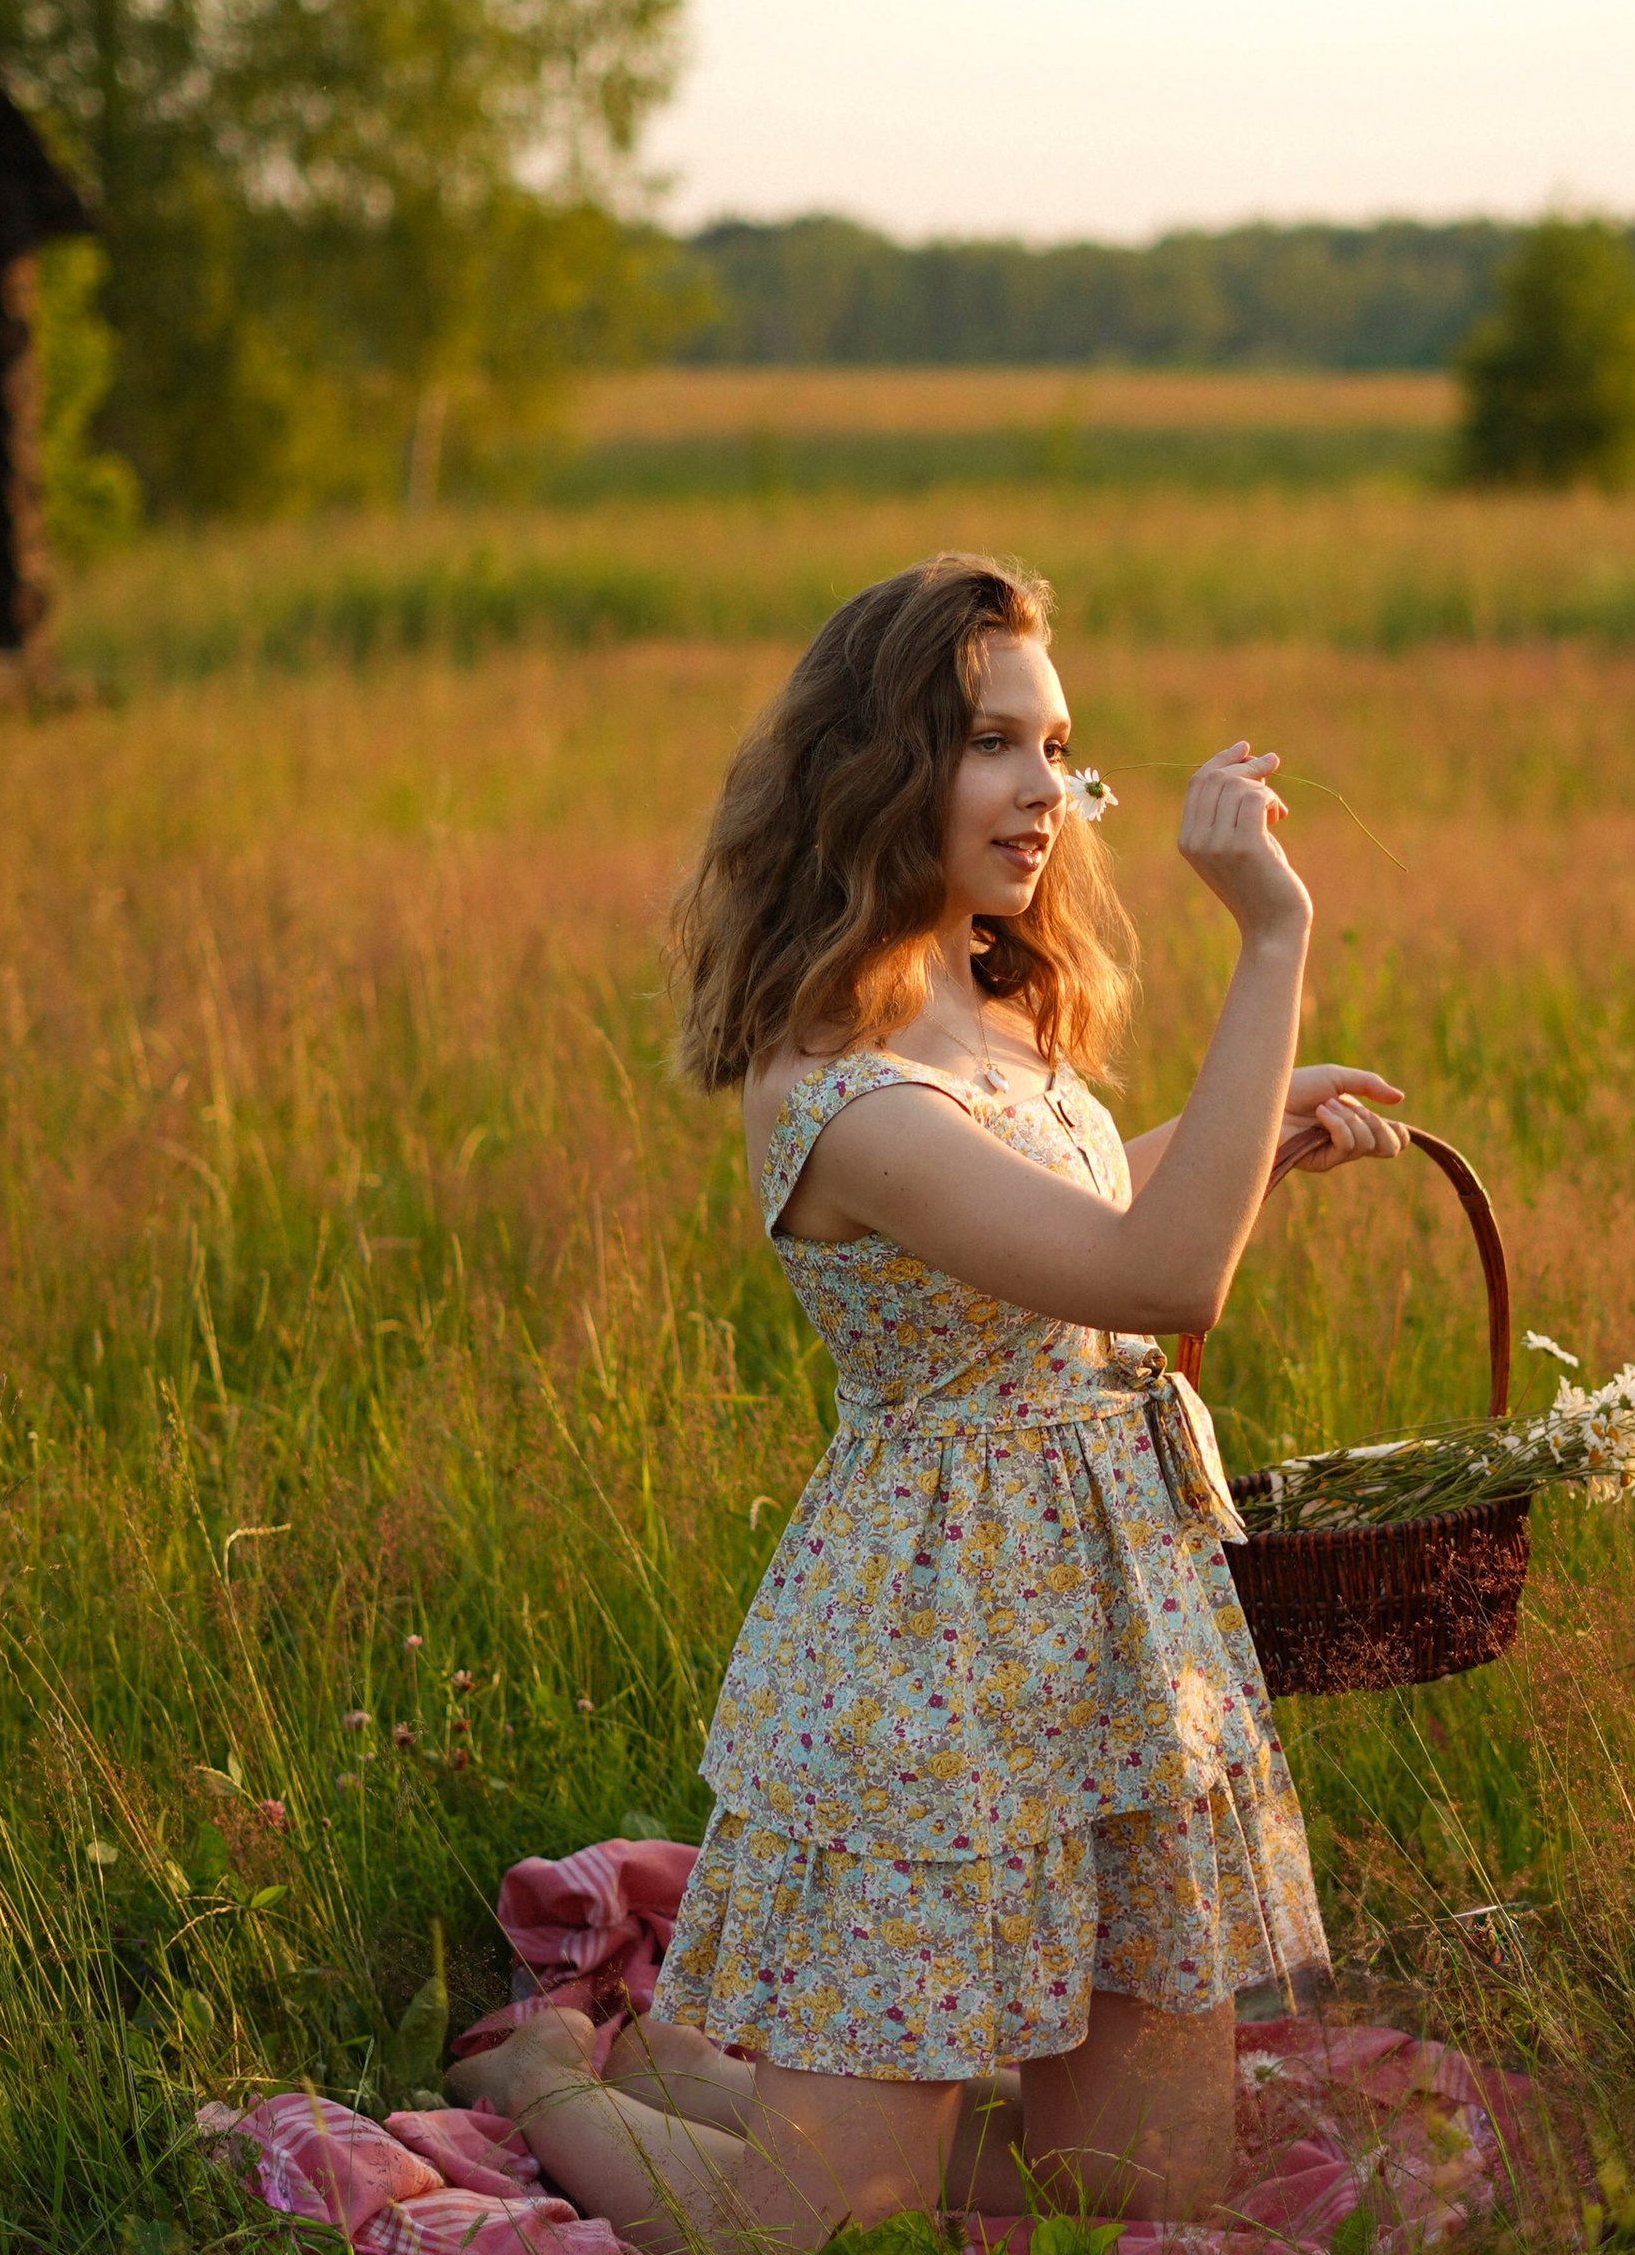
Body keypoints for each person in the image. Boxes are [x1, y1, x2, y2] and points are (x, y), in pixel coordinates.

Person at [450, 554, 1408, 2251]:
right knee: (805, 2233)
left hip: (1109, 1622)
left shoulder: (988, 996)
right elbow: (1161, 1283)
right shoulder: (836, 1083)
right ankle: (546, 2083)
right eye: (991, 744)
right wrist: (1275, 942)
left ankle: (719, 2089)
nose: (1045, 791)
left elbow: (1076, 1237)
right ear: (881, 768)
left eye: (1060, 747)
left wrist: (1246, 1139)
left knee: (1145, 2189)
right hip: (936, 1655)